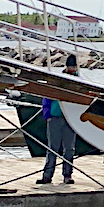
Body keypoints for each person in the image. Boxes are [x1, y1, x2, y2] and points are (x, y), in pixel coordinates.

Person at [37, 54, 79, 185]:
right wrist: (47, 114)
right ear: (67, 67)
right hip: (55, 117)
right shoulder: (57, 81)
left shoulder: (80, 82)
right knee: (52, 148)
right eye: (70, 66)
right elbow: (47, 97)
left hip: (70, 119)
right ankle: (47, 175)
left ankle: (67, 175)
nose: (72, 69)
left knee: (69, 148)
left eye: (74, 67)